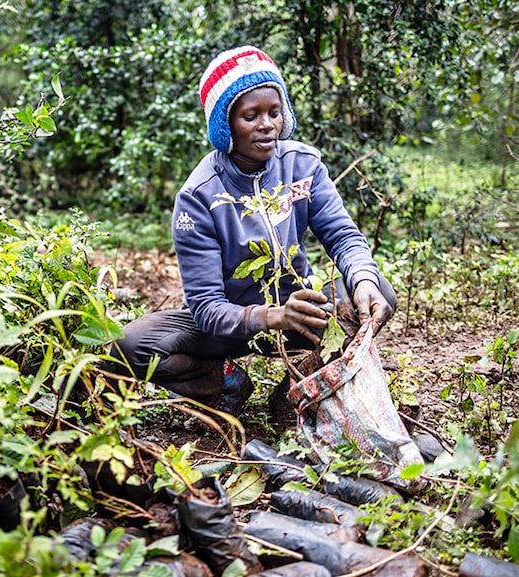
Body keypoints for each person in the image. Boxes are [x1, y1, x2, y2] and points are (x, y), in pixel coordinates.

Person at [110, 46, 396, 418]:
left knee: (375, 291)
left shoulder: (303, 166)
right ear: (225, 124)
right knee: (128, 345)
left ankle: (300, 390)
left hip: (300, 315)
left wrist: (362, 280)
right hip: (225, 329)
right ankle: (223, 384)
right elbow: (207, 308)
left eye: (274, 113)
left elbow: (343, 236)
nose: (267, 125)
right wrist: (272, 317)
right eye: (251, 116)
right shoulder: (199, 195)